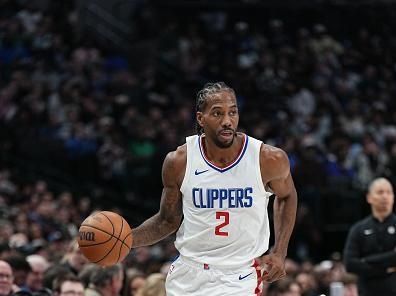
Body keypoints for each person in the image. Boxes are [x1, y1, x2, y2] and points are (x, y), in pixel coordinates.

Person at [131, 82, 298, 295]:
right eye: (217, 113)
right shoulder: (179, 161)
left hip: (238, 276)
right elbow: (166, 221)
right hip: (189, 274)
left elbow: (287, 195)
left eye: (233, 113)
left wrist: (280, 251)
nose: (227, 121)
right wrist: (126, 240)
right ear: (201, 118)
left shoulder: (267, 159)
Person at [344, 177, 396, 296]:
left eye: (389, 192)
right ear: (369, 197)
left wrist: (366, 260)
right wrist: (387, 267)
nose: (385, 196)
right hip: (367, 292)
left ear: (393, 197)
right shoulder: (358, 229)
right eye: (380, 192)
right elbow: (350, 264)